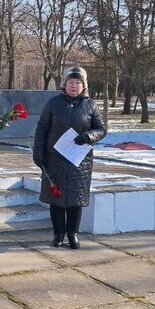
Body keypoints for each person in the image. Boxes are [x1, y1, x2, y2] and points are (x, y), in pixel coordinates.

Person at [33, 66, 106, 249]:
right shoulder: (53, 103)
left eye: (78, 83)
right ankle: (58, 234)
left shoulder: (90, 105)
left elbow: (102, 129)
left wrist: (88, 137)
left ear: (84, 85)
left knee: (75, 199)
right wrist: (38, 153)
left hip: (79, 161)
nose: (74, 86)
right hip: (54, 159)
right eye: (71, 82)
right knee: (56, 199)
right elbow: (42, 129)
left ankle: (73, 233)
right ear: (64, 84)